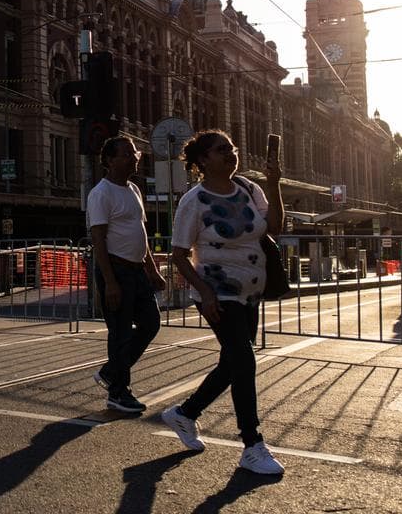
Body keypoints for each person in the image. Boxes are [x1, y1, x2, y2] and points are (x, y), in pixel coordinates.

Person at [161, 129, 286, 475]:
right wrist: (205, 292)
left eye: (232, 148)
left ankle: (185, 414)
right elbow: (180, 255)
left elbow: (274, 227)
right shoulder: (194, 200)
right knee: (244, 361)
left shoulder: (249, 188)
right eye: (222, 151)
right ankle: (252, 444)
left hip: (250, 293)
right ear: (203, 160)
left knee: (232, 364)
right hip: (218, 294)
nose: (231, 154)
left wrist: (274, 183)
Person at [87, 135, 165, 413]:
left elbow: (140, 233)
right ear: (109, 160)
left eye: (135, 154)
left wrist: (152, 269)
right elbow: (98, 239)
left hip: (137, 270)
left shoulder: (133, 189)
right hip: (116, 270)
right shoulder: (101, 193)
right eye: (127, 154)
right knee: (119, 332)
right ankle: (118, 393)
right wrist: (109, 283)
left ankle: (111, 372)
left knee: (151, 323)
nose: (134, 158)